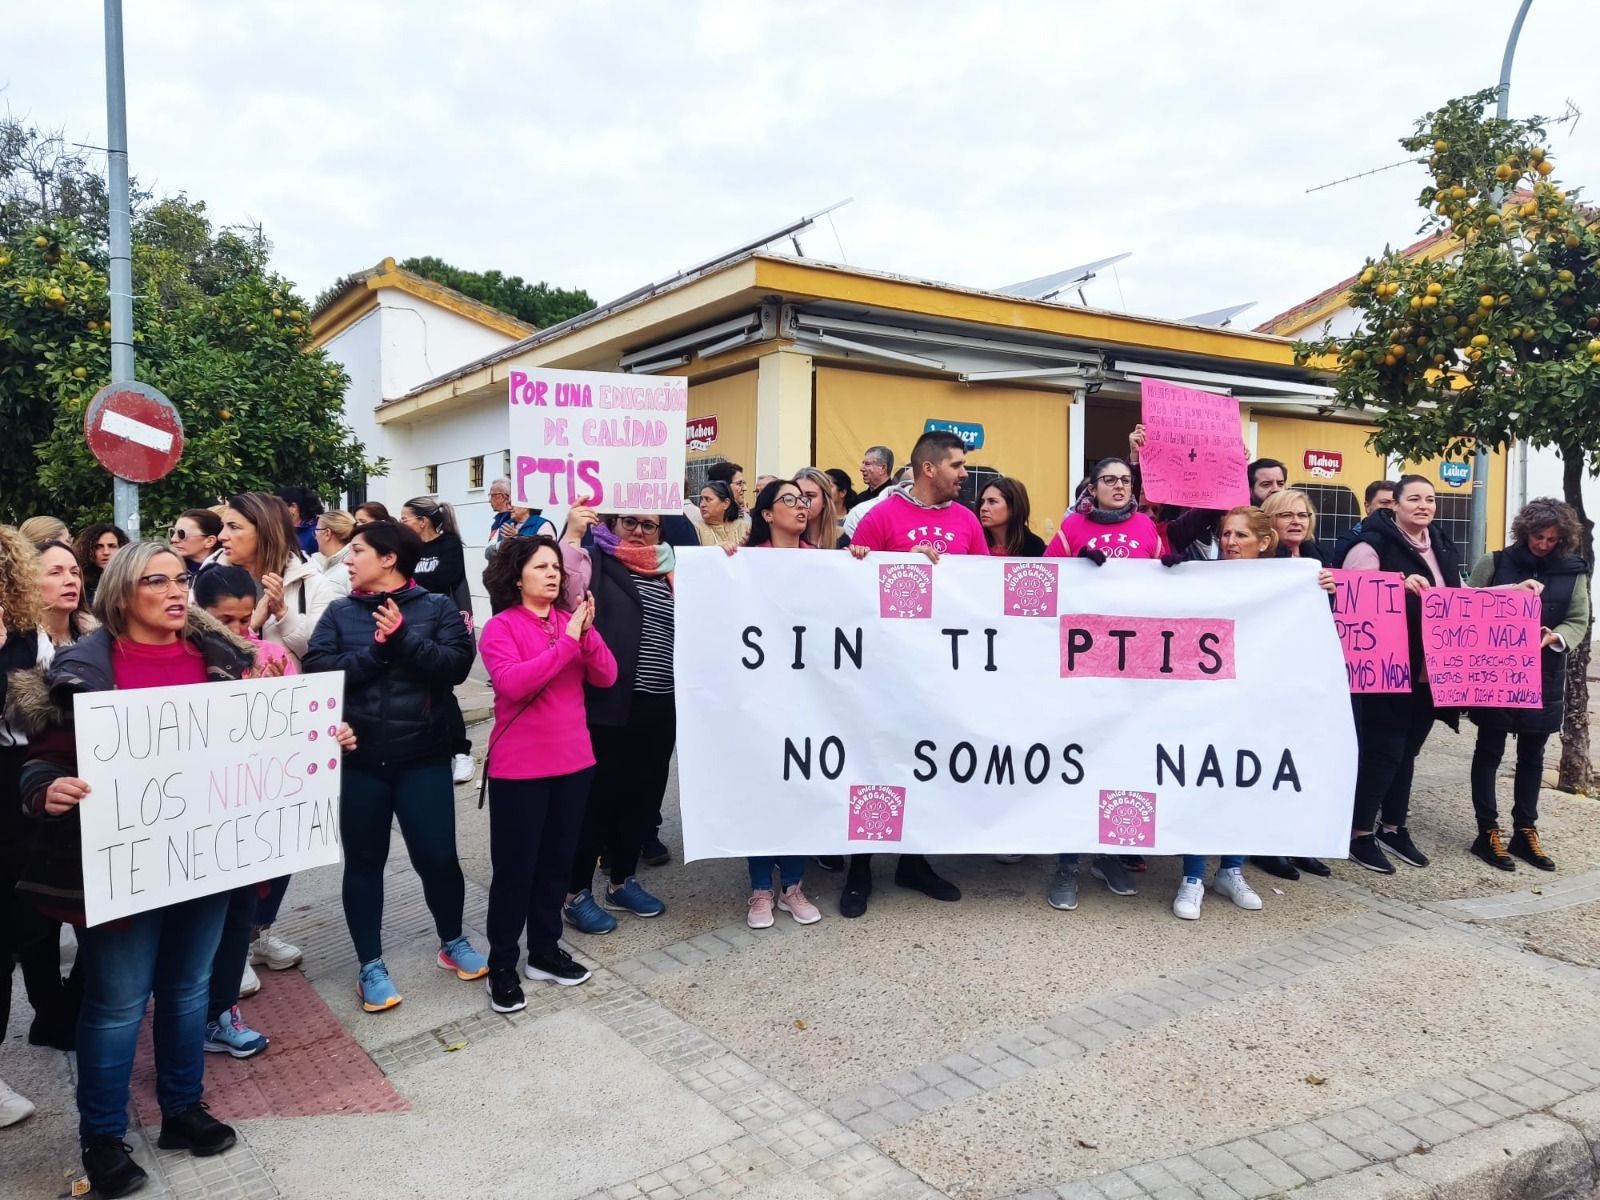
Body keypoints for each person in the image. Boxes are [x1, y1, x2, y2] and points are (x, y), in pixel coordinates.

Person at [12, 542, 253, 1196]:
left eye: (182, 579)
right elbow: (43, 761)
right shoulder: (81, 672)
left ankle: (182, 1110)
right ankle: (103, 1137)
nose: (177, 592)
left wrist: (320, 737)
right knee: (117, 1004)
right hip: (121, 869)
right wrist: (47, 789)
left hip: (205, 859)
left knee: (186, 990)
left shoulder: (222, 663)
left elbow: (255, 751)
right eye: (157, 581)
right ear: (122, 594)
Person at [303, 521, 486, 1012]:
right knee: (364, 865)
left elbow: (455, 666)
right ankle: (370, 966)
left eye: (356, 550)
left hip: (423, 757)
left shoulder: (437, 607)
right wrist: (376, 653)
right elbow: (317, 670)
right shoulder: (340, 613)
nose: (347, 559)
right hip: (360, 760)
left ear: (388, 558)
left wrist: (403, 639)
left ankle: (453, 941)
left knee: (439, 859)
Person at [841, 430, 982, 917]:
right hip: (884, 669)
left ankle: (913, 860)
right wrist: (888, 563)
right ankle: (860, 866)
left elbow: (980, 589)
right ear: (929, 468)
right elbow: (852, 592)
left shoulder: (966, 521)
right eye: (957, 465)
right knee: (873, 762)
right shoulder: (881, 517)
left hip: (940, 670)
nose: (965, 474)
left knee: (925, 762)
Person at [479, 537, 617, 1011]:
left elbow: (607, 676)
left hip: (575, 763)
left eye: (556, 567)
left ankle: (544, 950)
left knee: (557, 864)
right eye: (541, 567)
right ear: (518, 576)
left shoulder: (570, 622)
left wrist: (588, 634)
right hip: (520, 769)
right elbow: (513, 684)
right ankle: (502, 963)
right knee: (516, 870)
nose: (553, 574)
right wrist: (568, 644)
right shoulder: (500, 627)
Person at [190, 567, 301, 1061]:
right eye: (223, 621)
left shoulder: (272, 656)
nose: (237, 633)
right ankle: (187, 1014)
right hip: (198, 812)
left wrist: (280, 702)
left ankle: (222, 1011)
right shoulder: (190, 658)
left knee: (238, 917)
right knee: (197, 924)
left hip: (252, 809)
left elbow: (299, 725)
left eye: (243, 621)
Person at [1, 535, 93, 1116]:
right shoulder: (16, 646)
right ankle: (52, 1015)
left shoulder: (93, 635)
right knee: (25, 916)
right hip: (22, 784)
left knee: (92, 910)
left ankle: (66, 1013)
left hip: (80, 784)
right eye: (53, 570)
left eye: (74, 569)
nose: (69, 579)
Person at [556, 509, 677, 933]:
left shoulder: (672, 568)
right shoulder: (596, 562)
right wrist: (572, 531)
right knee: (597, 803)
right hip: (609, 706)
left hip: (661, 707)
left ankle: (622, 881)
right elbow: (563, 583)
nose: (640, 532)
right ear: (612, 524)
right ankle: (575, 893)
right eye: (630, 522)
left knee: (642, 800)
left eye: (649, 525)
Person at [1340, 476, 1469, 873]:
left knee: (1408, 752)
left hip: (1430, 671)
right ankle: (1359, 832)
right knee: (1383, 752)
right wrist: (1397, 584)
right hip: (1388, 670)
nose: (1423, 505)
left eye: (1430, 499)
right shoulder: (1372, 544)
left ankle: (1394, 826)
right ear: (1393, 504)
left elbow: (1460, 594)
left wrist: (1512, 592)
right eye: (1413, 498)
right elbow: (1352, 595)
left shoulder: (1442, 544)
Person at [1467, 499, 1589, 873]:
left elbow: (1578, 619)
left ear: (1563, 538)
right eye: (1538, 536)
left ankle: (1525, 830)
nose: (1544, 544)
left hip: (1543, 676)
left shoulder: (1573, 572)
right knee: (1489, 750)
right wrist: (1508, 594)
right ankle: (1487, 831)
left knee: (1533, 757)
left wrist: (1554, 636)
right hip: (1496, 675)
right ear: (1526, 532)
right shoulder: (1496, 561)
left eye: (1552, 539)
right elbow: (1466, 605)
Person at [737, 480, 825, 927]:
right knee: (762, 785)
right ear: (767, 514)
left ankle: (792, 885)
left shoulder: (823, 562)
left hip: (809, 695)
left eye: (804, 499)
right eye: (787, 500)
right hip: (760, 694)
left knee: (797, 786)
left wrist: (861, 564)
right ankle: (759, 890)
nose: (799, 507)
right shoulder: (744, 561)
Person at [212, 492, 339, 668]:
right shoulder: (209, 580)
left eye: (233, 527)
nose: (221, 536)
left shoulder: (313, 583)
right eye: (223, 526)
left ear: (266, 531)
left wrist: (284, 614)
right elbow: (204, 655)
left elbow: (323, 657)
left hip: (293, 693)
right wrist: (252, 625)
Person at [401, 496, 476, 784]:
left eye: (405, 518)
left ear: (422, 521)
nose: (401, 523)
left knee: (443, 690)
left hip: (441, 628)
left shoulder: (449, 544)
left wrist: (414, 586)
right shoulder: (407, 547)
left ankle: (461, 752)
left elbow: (447, 576)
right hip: (409, 627)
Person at [1045, 457, 1165, 560]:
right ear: (1092, 490)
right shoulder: (1072, 524)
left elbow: (1162, 577)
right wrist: (1078, 566)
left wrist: (1172, 567)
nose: (1119, 486)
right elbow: (1049, 572)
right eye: (1110, 480)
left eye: (1125, 480)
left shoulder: (1146, 524)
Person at [1333, 480, 1398, 567]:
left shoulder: (1409, 541)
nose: (1391, 508)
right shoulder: (1347, 542)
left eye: (1395, 503)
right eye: (1385, 503)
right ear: (1367, 507)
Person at [979, 477, 1047, 557]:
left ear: (1013, 506)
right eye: (982, 502)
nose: (983, 508)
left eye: (992, 501)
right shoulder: (974, 542)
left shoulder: (1035, 548)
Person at [1262, 488, 1328, 563]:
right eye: (1286, 515)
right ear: (1268, 520)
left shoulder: (1318, 557)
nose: (1296, 521)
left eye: (1302, 515)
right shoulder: (1260, 559)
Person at [74, 522, 129, 605]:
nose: (106, 552)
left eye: (112, 546)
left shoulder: (131, 579)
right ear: (89, 550)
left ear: (121, 548)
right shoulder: (80, 583)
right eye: (98, 547)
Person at [795, 467, 843, 550]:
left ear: (824, 501)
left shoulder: (841, 538)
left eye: (810, 496)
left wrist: (859, 552)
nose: (802, 502)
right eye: (797, 496)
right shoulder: (784, 536)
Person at [313, 510, 357, 597]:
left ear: (327, 533)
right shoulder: (330, 564)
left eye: (316, 530)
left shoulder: (349, 569)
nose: (315, 536)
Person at [694, 480, 748, 549]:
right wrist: (717, 549)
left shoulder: (744, 527)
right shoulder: (696, 529)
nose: (702, 505)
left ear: (726, 503)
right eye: (701, 499)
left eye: (708, 499)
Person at [170, 509, 222, 574]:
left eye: (182, 534)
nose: (173, 539)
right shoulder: (168, 569)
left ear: (209, 541)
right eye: (172, 532)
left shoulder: (226, 575)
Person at [276, 486, 324, 556]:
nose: (273, 511)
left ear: (293, 507)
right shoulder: (280, 529)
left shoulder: (317, 532)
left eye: (277, 506)